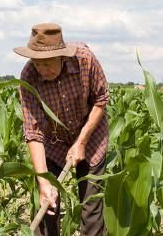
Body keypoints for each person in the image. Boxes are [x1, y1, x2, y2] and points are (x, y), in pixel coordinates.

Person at [14, 23, 109, 236]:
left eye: (47, 64)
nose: (42, 70)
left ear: (61, 57)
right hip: (53, 142)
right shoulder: (29, 76)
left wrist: (81, 141)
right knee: (47, 205)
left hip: (91, 136)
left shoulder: (85, 60)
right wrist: (43, 182)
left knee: (91, 207)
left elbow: (101, 99)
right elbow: (33, 132)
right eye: (37, 64)